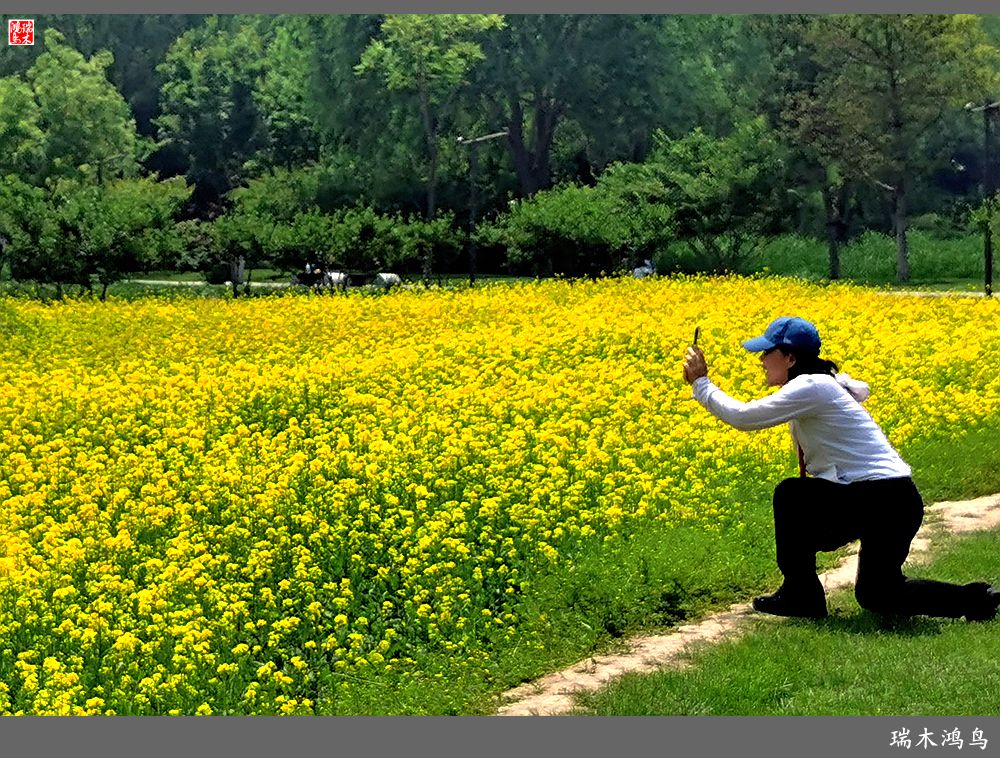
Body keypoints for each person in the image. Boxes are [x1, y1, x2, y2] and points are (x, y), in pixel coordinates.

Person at [681, 316, 1000, 621]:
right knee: (878, 594)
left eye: (768, 352)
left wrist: (702, 385)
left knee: (791, 496)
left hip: (879, 498)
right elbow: (858, 389)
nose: (761, 359)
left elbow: (744, 418)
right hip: (894, 500)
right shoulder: (823, 384)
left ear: (790, 358)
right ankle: (977, 600)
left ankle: (801, 595)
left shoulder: (811, 387)